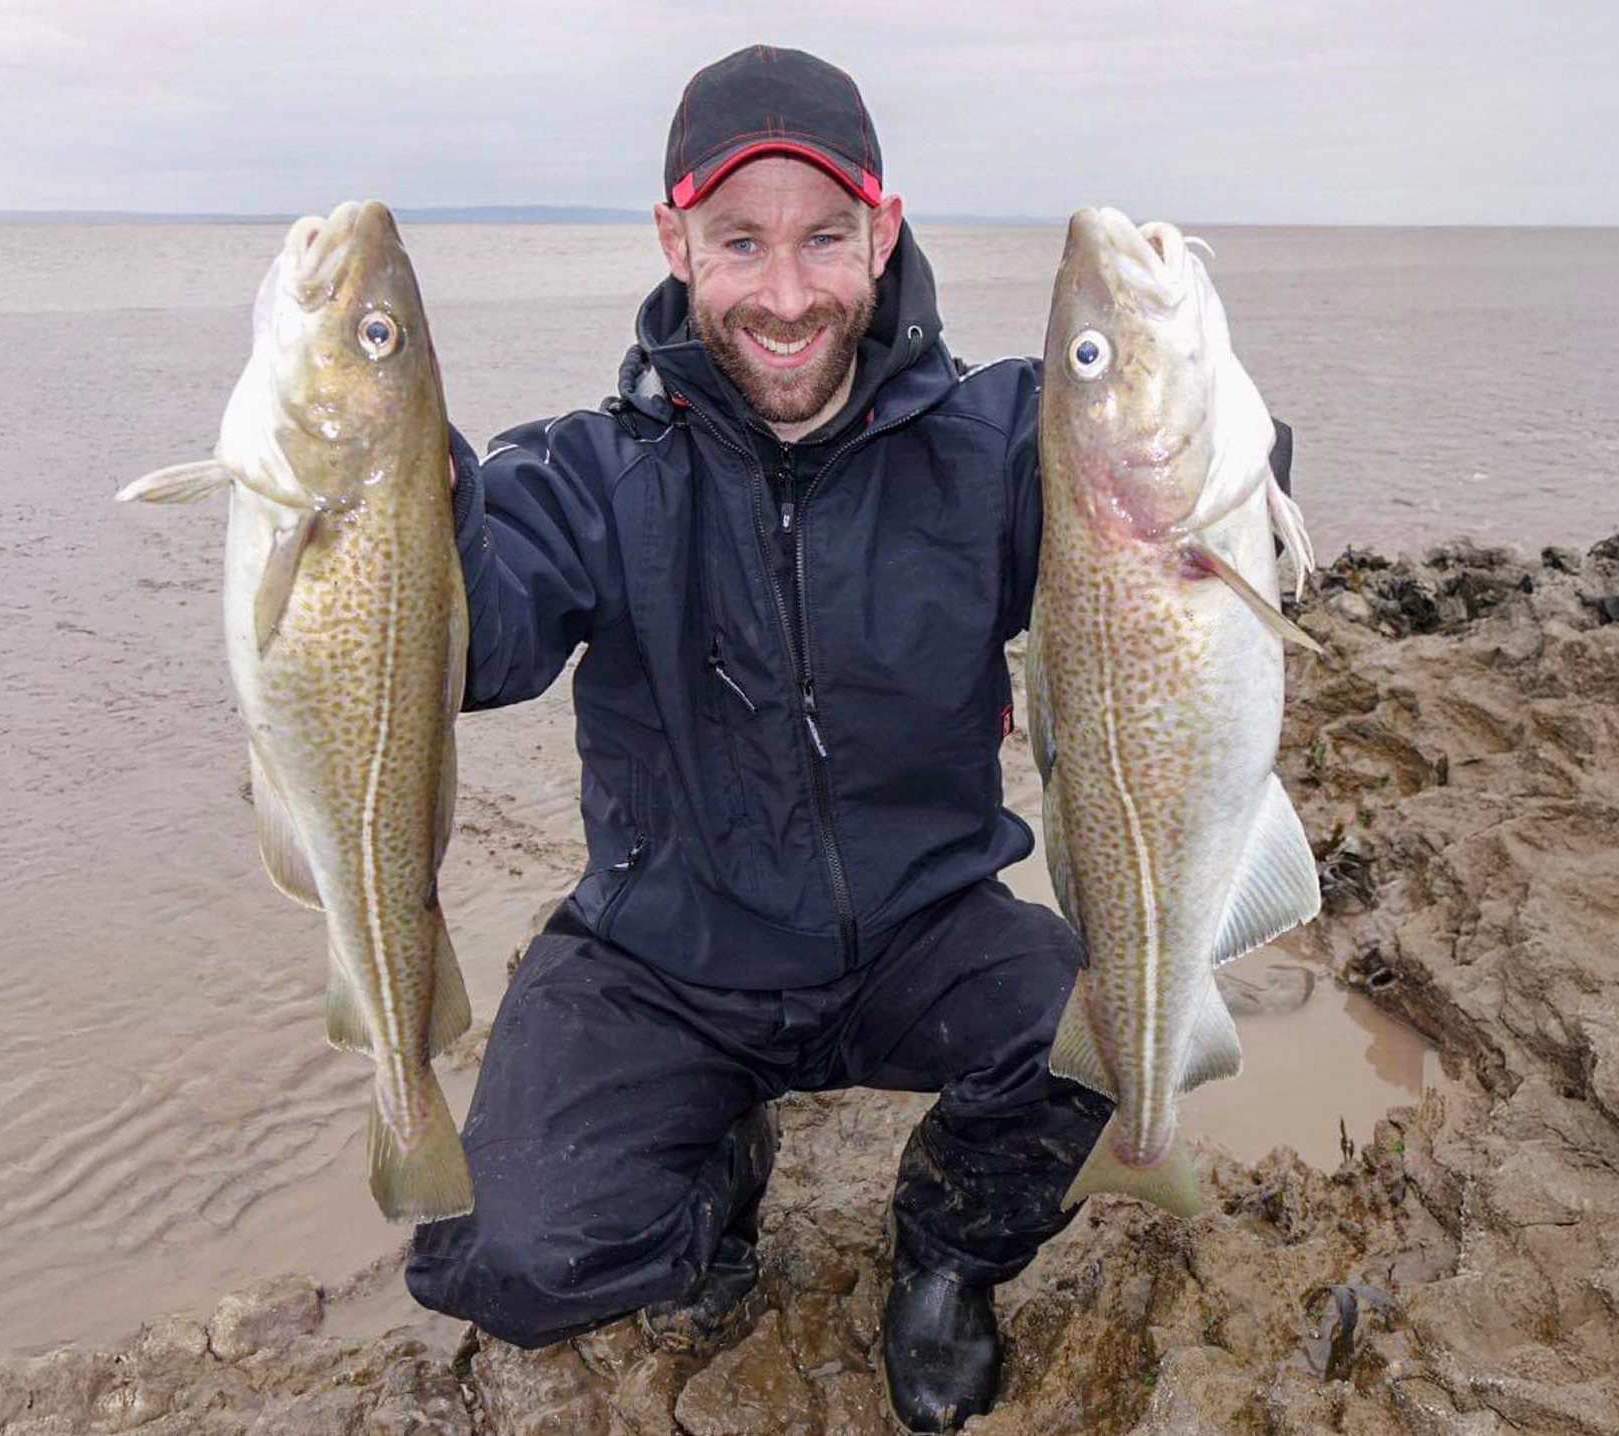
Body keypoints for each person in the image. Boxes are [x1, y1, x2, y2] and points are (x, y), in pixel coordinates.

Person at [405, 45, 1292, 1434]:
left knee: (1118, 1038)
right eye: (740, 241)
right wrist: (399, 498)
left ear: (881, 230)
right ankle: (719, 1163)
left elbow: (1192, 503)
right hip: (663, 954)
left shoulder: (1011, 440)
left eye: (824, 238)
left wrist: (1214, 435)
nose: (785, 291)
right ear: (674, 240)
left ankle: (946, 1253)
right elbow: (480, 637)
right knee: (512, 1257)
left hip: (917, 933)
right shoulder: (590, 472)